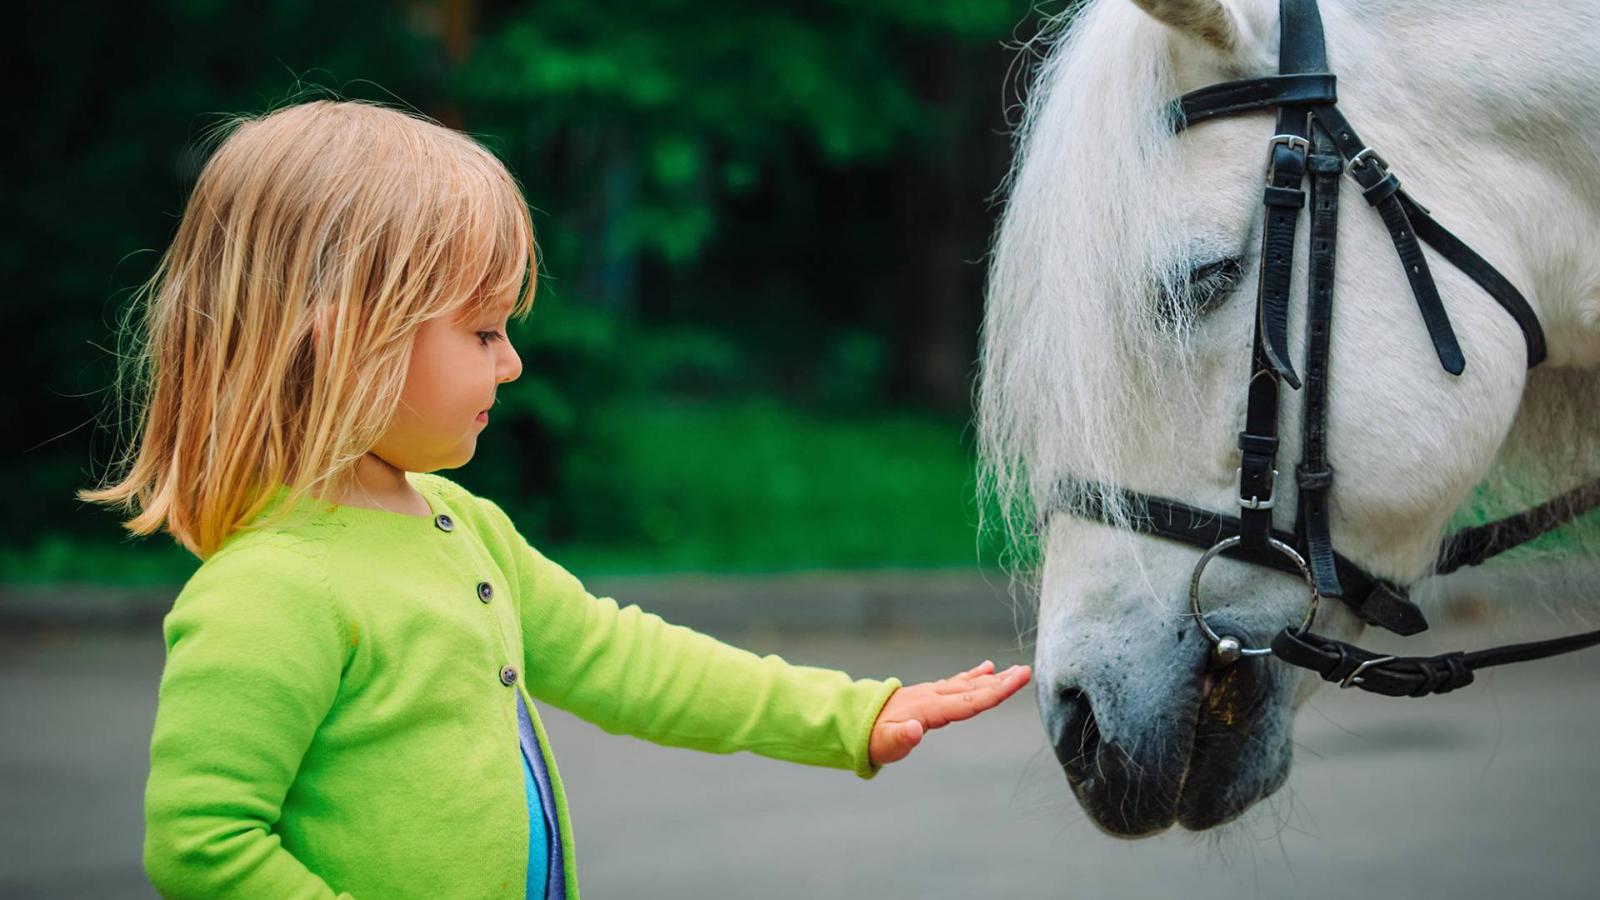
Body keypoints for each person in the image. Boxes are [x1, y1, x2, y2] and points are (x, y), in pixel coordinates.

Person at [79, 99, 1031, 899]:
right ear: (345, 342)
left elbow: (628, 660)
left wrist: (851, 715)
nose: (514, 361)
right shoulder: (272, 591)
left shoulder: (465, 530)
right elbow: (203, 844)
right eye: (485, 331)